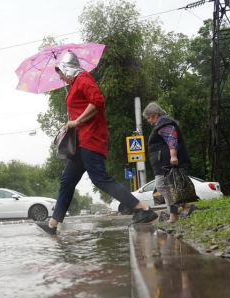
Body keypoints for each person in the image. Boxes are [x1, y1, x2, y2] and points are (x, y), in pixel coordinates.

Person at [36, 51, 157, 235]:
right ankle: (53, 224)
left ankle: (142, 209)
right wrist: (72, 122)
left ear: (67, 69)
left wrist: (77, 121)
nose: (60, 78)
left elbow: (98, 100)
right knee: (67, 181)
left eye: (60, 74)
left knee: (100, 178)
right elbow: (82, 106)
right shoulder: (75, 84)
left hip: (90, 140)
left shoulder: (83, 78)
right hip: (79, 143)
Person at [142, 103, 195, 223]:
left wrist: (173, 156)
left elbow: (172, 139)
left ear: (155, 114)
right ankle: (173, 215)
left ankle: (186, 205)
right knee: (167, 187)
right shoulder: (162, 123)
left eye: (149, 118)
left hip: (165, 161)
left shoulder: (164, 123)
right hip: (162, 161)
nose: (149, 121)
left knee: (161, 186)